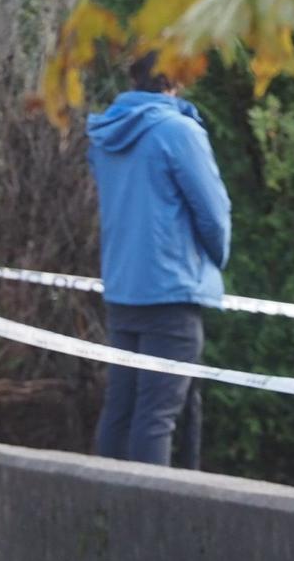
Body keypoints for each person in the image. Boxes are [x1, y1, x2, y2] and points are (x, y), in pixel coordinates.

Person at [86, 51, 232, 468]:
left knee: (122, 408)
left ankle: (107, 514)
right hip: (172, 291)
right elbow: (214, 213)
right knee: (158, 416)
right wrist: (214, 260)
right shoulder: (179, 132)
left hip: (122, 289)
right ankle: (148, 527)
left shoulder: (107, 132)